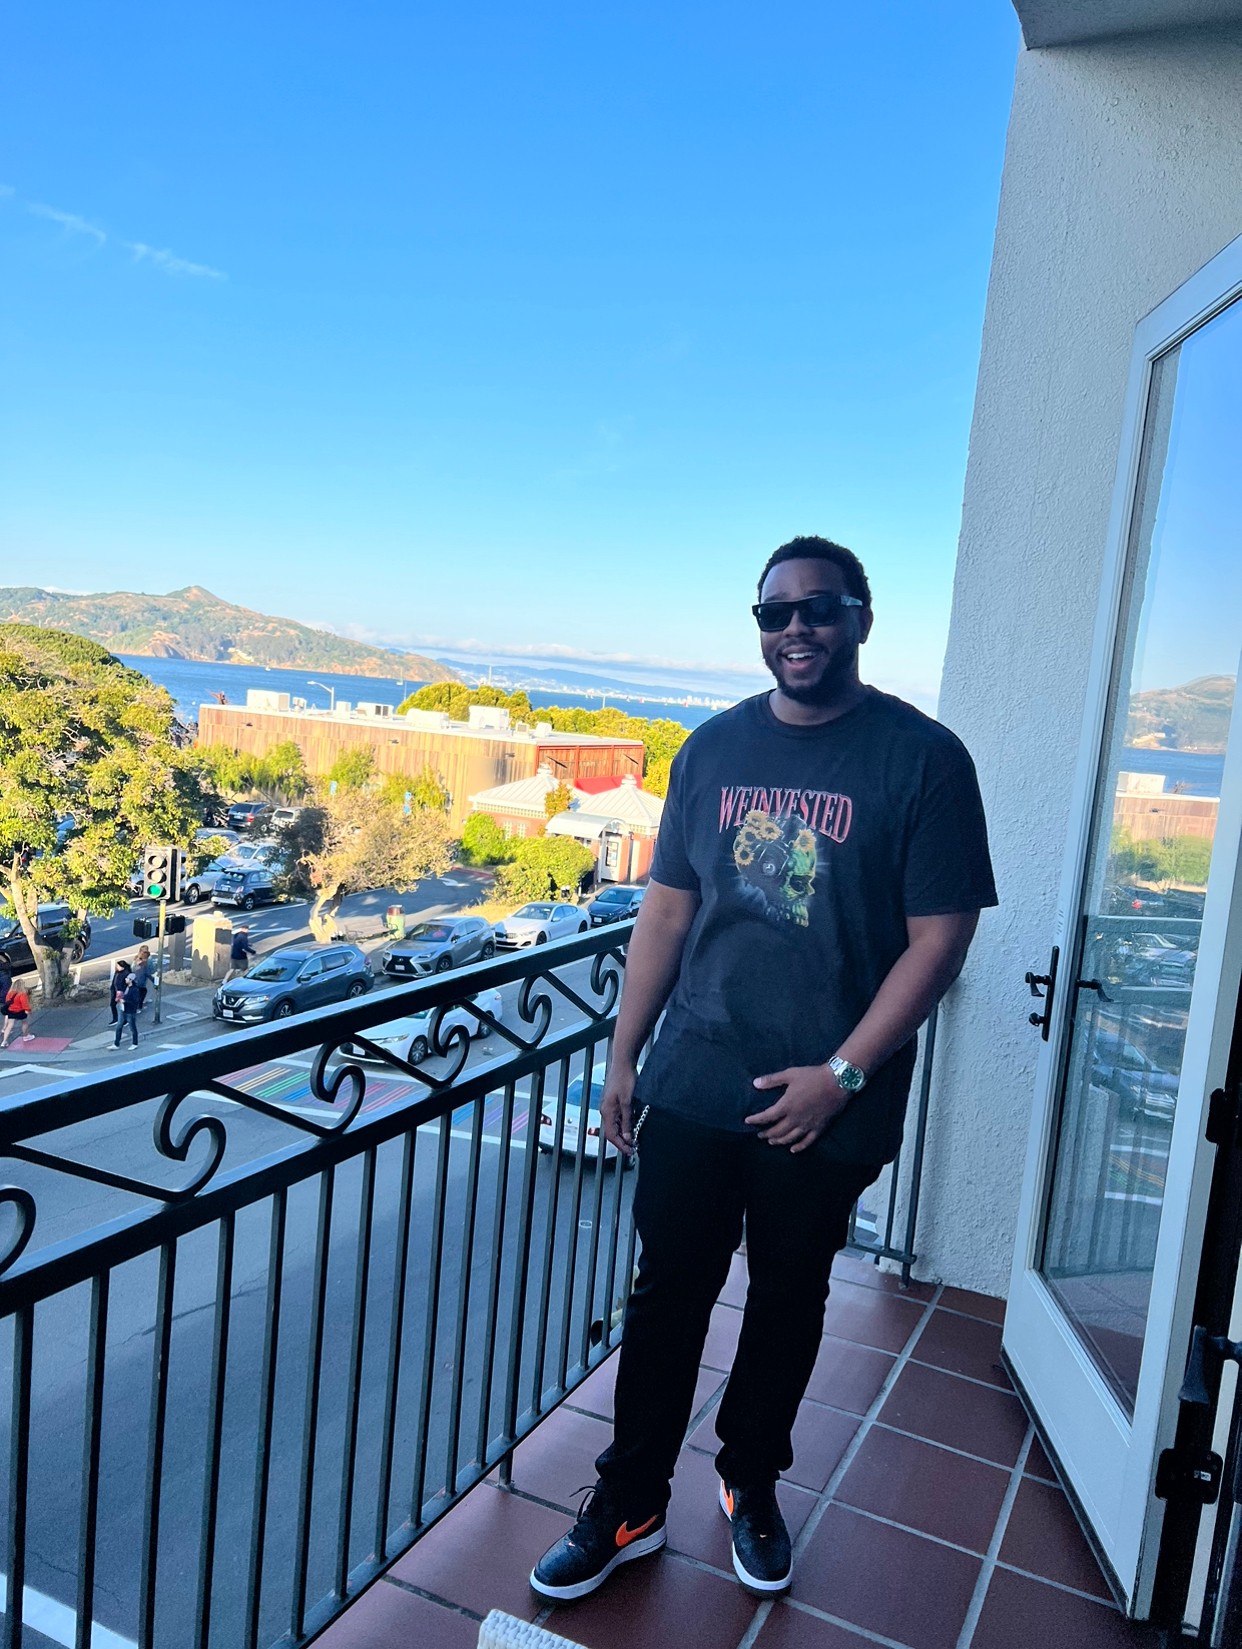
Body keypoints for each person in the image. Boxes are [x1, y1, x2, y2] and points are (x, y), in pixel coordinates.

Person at [530, 536, 998, 1603]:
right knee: (666, 1298)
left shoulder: (925, 760)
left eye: (819, 607)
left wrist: (843, 1073)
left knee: (788, 1298)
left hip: (824, 1102)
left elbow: (940, 941)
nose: (796, 628)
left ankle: (750, 1478)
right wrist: (623, 1053)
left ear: (861, 618)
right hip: (696, 1080)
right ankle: (628, 1500)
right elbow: (666, 912)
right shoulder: (710, 749)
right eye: (774, 612)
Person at [0, 980, 34, 1048]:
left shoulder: (9, 993)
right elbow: (25, 1005)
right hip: (20, 1011)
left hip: (11, 1011)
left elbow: (7, 1002)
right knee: (24, 1023)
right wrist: (28, 1011)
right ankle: (26, 1036)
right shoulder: (22, 994)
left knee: (9, 1026)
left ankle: (4, 1041)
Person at [113, 973, 142, 1050]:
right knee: (119, 1026)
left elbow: (135, 1001)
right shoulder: (126, 987)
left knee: (132, 1027)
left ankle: (135, 1043)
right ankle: (116, 1043)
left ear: (131, 980)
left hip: (130, 1011)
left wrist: (125, 1001)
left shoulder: (135, 990)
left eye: (127, 978)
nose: (125, 979)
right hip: (123, 1009)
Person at [109, 959, 130, 1025]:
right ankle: (115, 1019)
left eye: (118, 966)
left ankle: (125, 1020)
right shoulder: (117, 972)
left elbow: (127, 984)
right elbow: (114, 981)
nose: (116, 967)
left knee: (123, 1006)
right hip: (115, 991)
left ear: (122, 967)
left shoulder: (126, 974)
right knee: (113, 1005)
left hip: (121, 992)